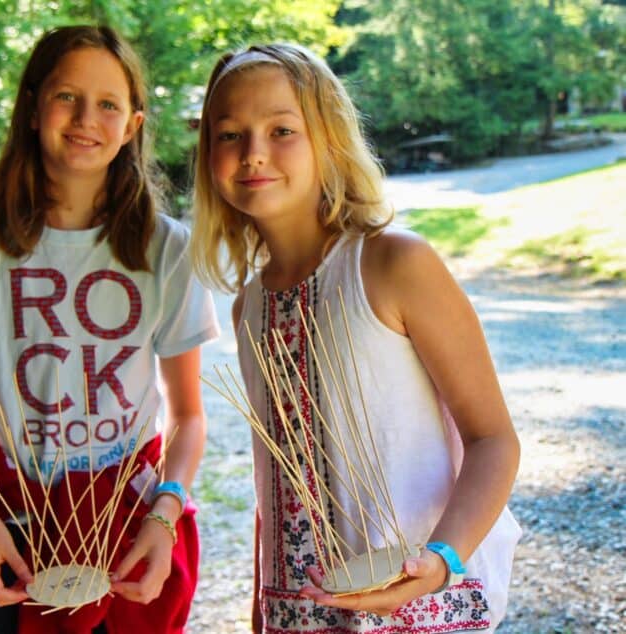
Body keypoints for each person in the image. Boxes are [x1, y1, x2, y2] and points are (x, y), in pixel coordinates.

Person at [189, 43, 521, 633]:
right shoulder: (249, 308)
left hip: (420, 606)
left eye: (282, 129)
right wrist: (262, 613)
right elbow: (283, 481)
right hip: (302, 614)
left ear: (329, 139)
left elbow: (493, 439)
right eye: (229, 134)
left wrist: (441, 562)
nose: (253, 152)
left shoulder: (395, 264)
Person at [0, 25, 219, 634]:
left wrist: (165, 515)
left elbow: (188, 416)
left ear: (132, 125)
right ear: (32, 108)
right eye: (66, 97)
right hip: (17, 517)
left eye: (108, 103)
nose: (86, 117)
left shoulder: (169, 251)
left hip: (130, 518)